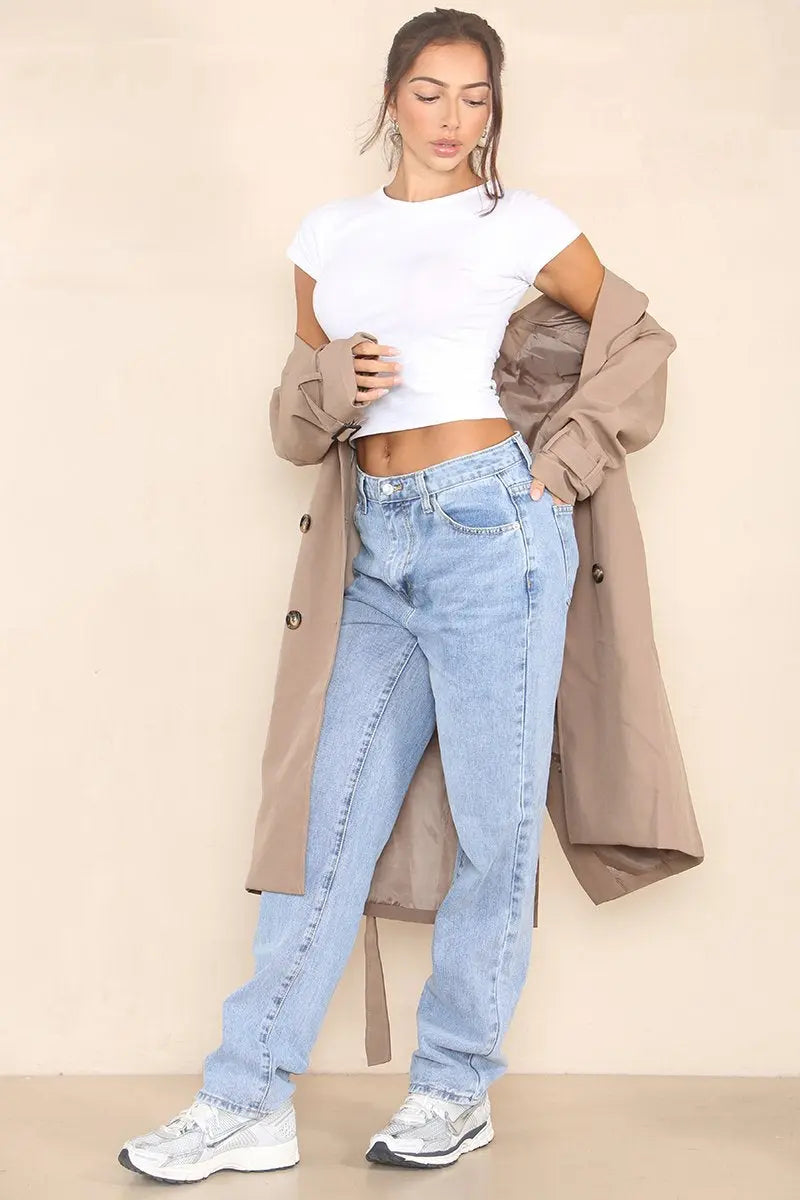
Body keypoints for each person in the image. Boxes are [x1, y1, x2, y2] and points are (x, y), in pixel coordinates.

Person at [119, 10, 606, 1183]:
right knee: (322, 825)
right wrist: (337, 378)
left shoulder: (526, 225)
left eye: (475, 97)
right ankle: (247, 1099)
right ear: (391, 96)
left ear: (494, 108)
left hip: (492, 534)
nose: (452, 119)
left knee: (493, 830)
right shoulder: (327, 236)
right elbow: (296, 418)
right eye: (430, 92)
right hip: (371, 547)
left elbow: (637, 344)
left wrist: (555, 470)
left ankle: (453, 1086)